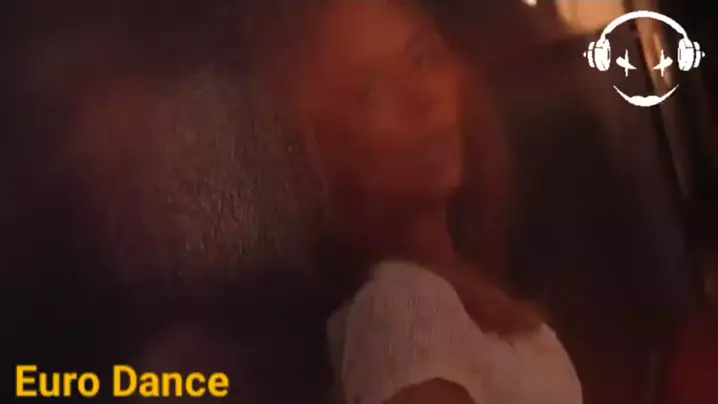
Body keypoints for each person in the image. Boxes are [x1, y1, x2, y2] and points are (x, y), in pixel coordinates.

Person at [264, 1, 583, 404]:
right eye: (370, 91)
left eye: (423, 58)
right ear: (322, 147)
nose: (422, 98)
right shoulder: (399, 308)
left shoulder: (449, 282)